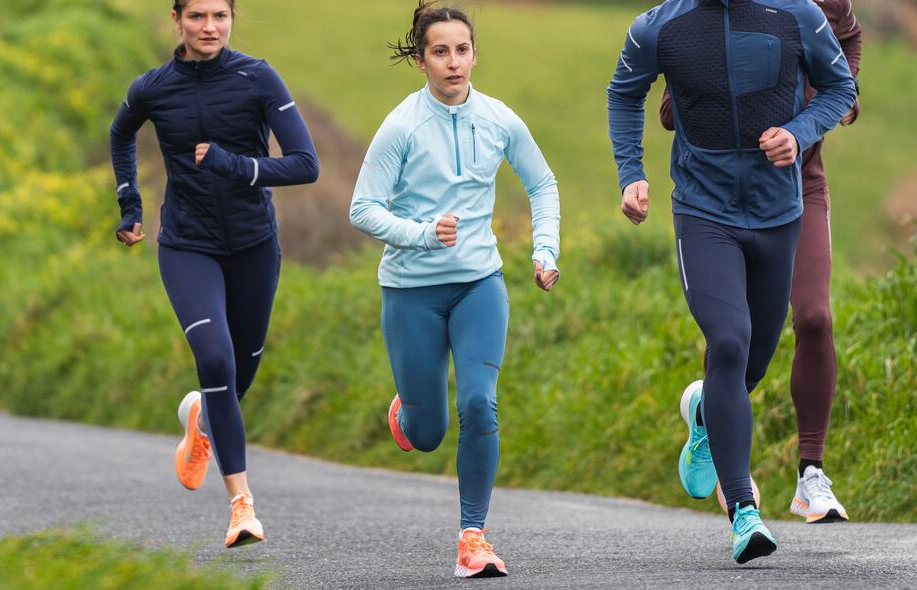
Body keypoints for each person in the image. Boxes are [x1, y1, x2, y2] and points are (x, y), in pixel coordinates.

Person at [606, 0, 857, 565]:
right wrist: (632, 172)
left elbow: (840, 86)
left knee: (754, 361)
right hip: (703, 210)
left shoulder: (795, 13)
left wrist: (798, 132)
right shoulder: (660, 25)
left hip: (777, 212)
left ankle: (703, 412)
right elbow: (623, 93)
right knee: (727, 339)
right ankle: (744, 512)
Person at [350, 1, 562, 578]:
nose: (453, 63)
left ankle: (473, 536)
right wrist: (421, 234)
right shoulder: (401, 127)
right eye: (440, 52)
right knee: (428, 434)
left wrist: (546, 251)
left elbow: (542, 183)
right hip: (410, 292)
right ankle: (409, 413)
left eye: (462, 50)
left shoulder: (498, 119)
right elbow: (361, 209)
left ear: (474, 54)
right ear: (421, 60)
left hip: (479, 285)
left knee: (478, 401)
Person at [107, 0, 319, 549]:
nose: (209, 28)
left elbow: (304, 163)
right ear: (176, 19)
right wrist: (130, 203)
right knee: (216, 359)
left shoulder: (257, 76)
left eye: (219, 16)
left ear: (231, 19)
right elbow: (121, 132)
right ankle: (241, 505)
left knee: (237, 377)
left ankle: (200, 414)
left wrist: (235, 164)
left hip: (253, 245)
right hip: (187, 244)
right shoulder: (153, 87)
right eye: (197, 16)